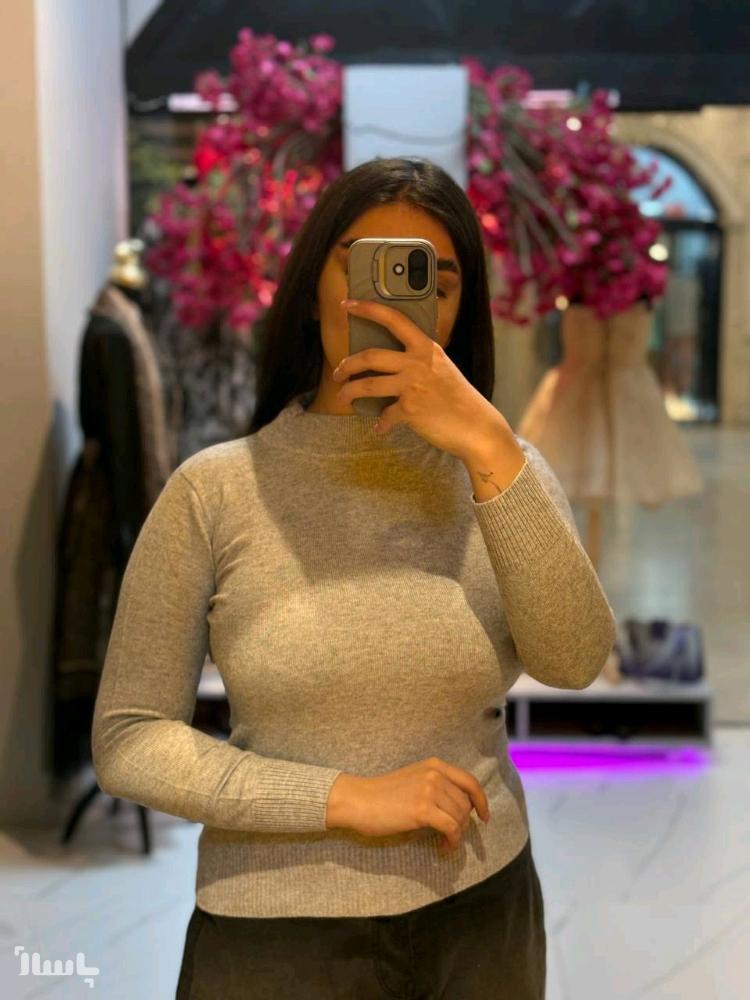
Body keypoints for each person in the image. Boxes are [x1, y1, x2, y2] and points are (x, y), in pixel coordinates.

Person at [91, 156, 617, 999]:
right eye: (363, 266)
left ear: (458, 308)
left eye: (432, 280)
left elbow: (575, 659)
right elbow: (129, 739)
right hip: (274, 937)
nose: (390, 302)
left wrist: (489, 448)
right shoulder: (216, 491)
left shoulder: (501, 473)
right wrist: (343, 799)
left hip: (483, 911)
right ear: (313, 289)